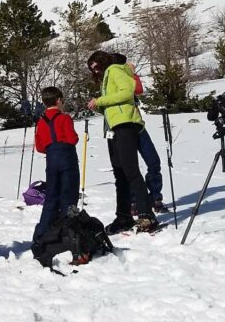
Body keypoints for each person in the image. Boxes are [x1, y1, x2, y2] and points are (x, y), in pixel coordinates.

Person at [87, 51, 158, 234]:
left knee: (131, 171)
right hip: (115, 127)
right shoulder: (106, 77)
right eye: (91, 69)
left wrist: (101, 100)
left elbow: (127, 92)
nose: (95, 71)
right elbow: (114, 106)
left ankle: (146, 214)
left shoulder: (115, 70)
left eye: (95, 66)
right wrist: (99, 107)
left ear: (102, 62)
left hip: (126, 125)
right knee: (120, 174)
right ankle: (123, 216)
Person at [112, 53, 167, 214]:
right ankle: (136, 201)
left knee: (153, 161)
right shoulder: (117, 78)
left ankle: (154, 197)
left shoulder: (125, 78)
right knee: (131, 168)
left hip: (138, 126)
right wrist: (132, 73)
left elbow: (138, 90)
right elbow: (137, 88)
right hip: (123, 128)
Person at [31, 86, 80, 245]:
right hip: (67, 157)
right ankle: (67, 230)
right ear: (58, 100)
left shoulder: (40, 121)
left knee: (51, 196)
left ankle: (43, 231)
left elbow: (39, 147)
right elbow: (72, 139)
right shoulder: (64, 118)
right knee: (69, 193)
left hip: (51, 158)